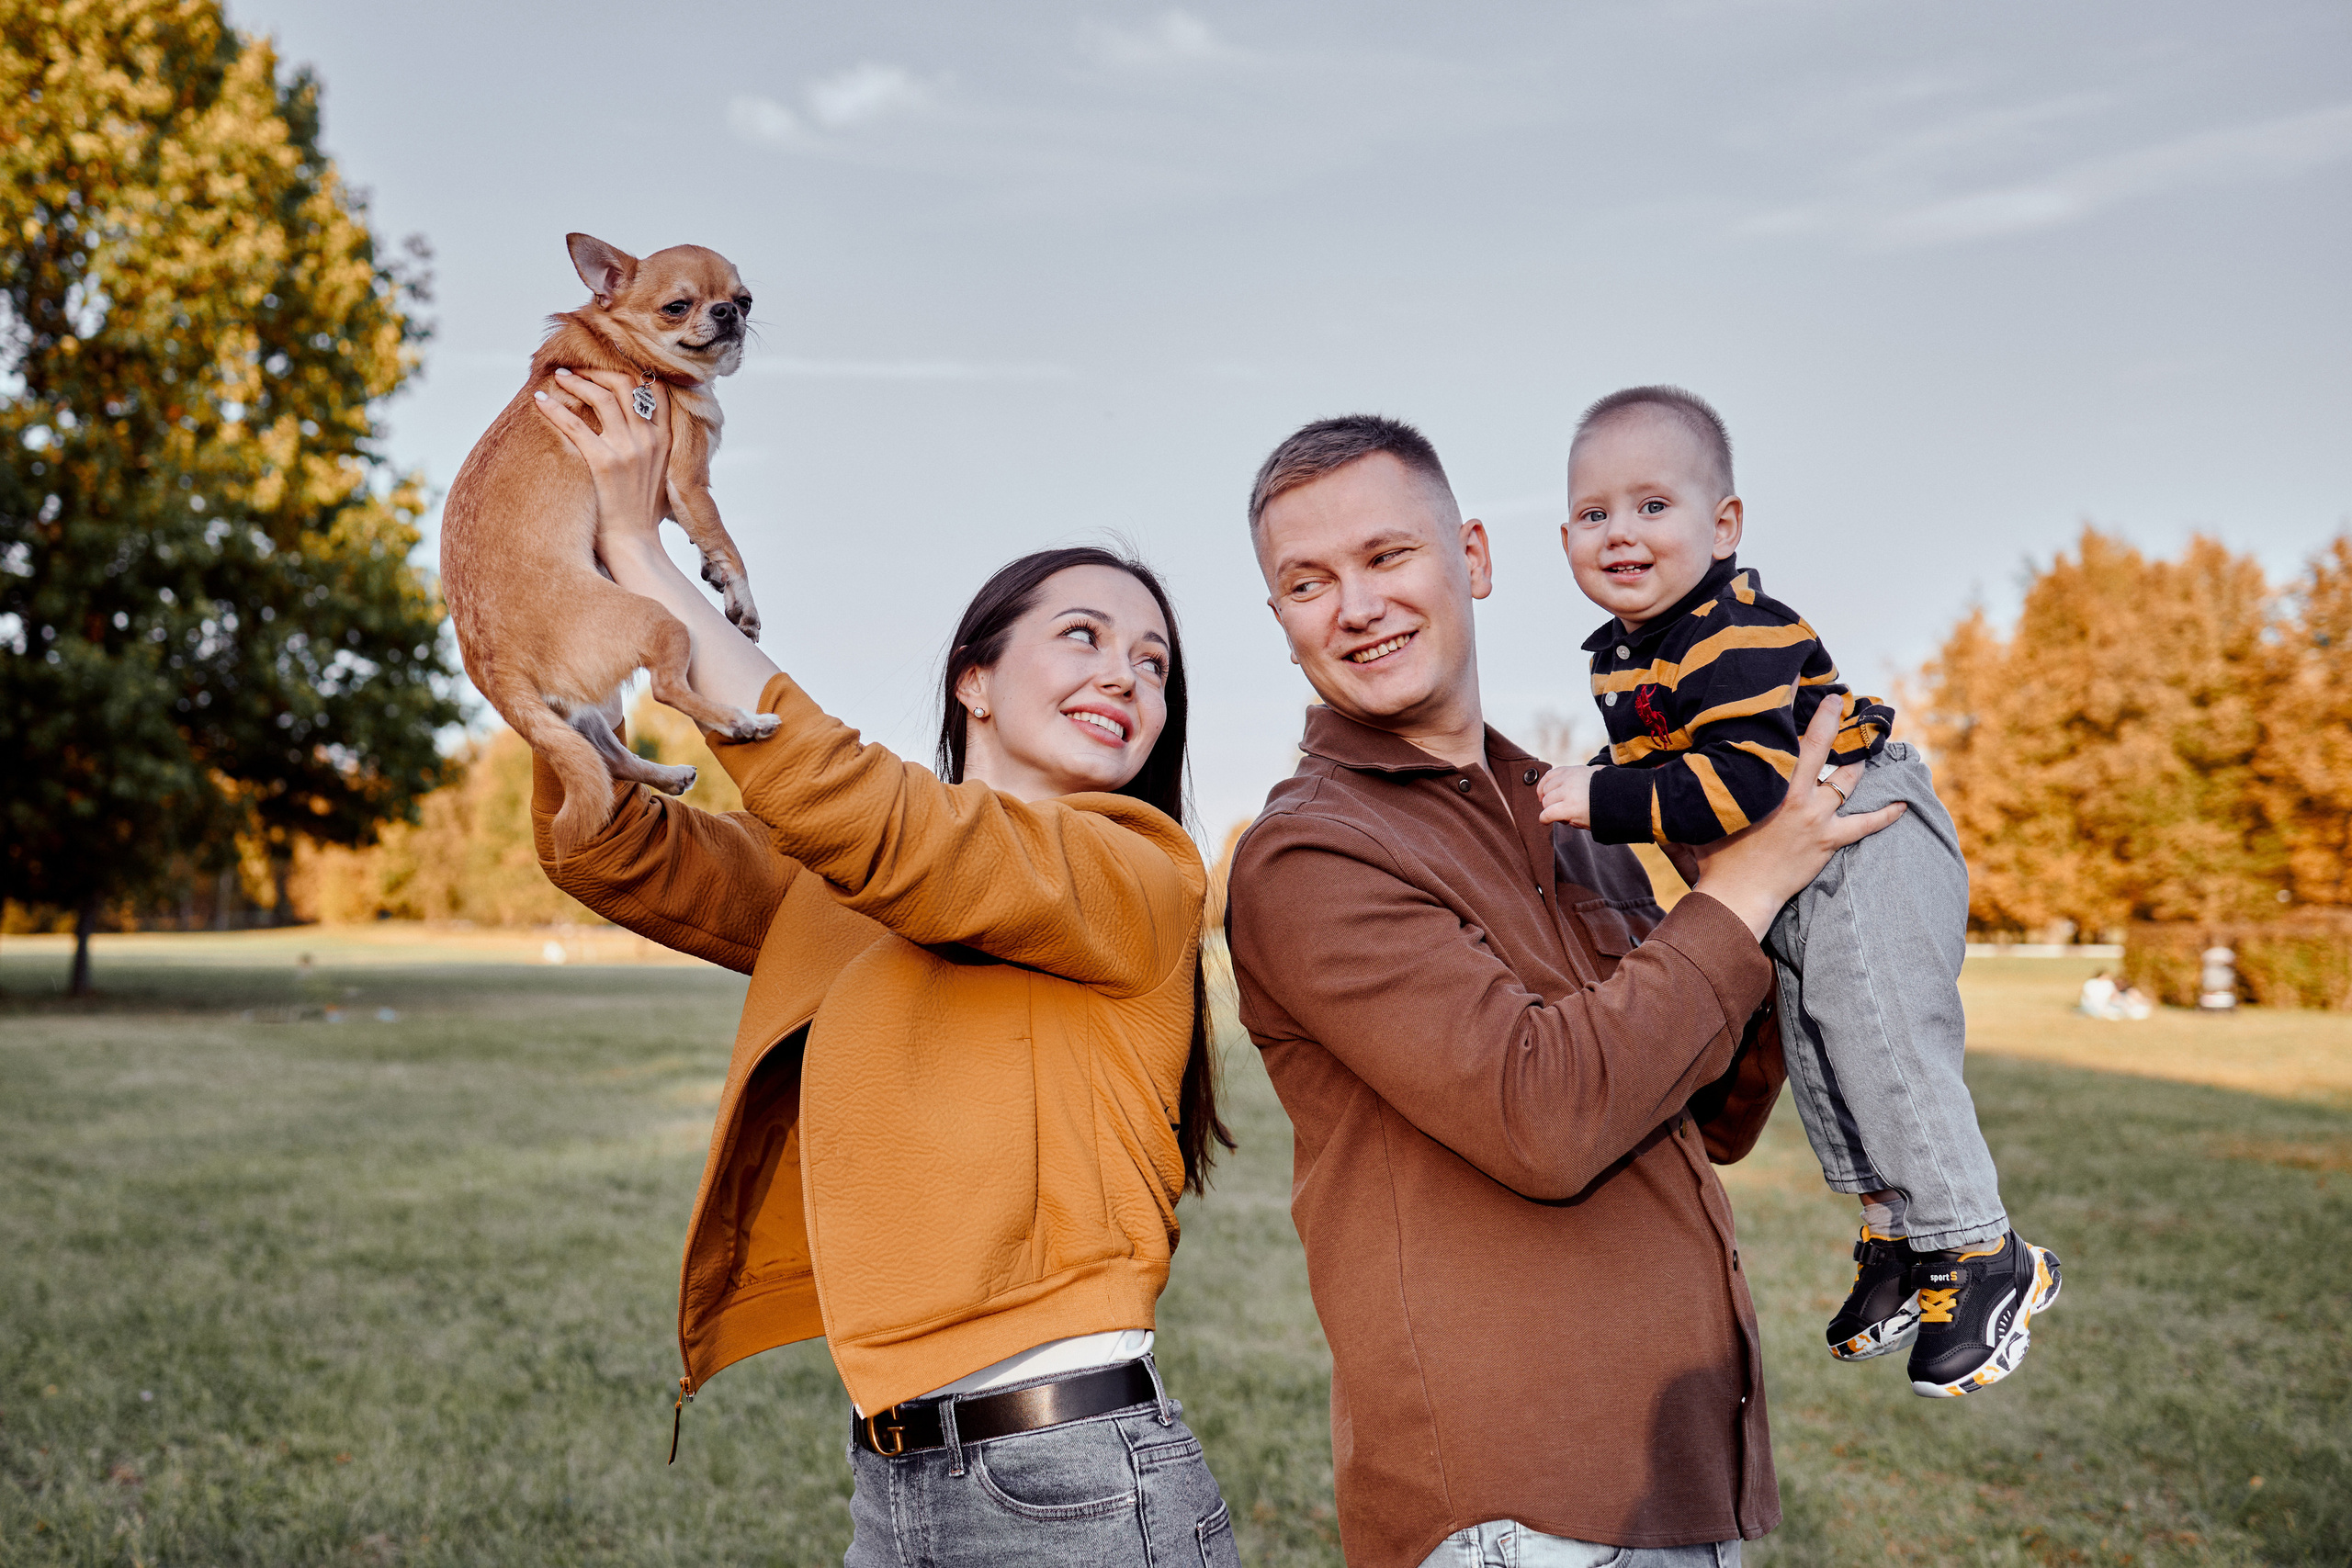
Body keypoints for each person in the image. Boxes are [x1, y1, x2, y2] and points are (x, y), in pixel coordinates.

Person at [528, 367, 1239, 1567]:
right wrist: (561, 625)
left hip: (1079, 1486)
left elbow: (874, 816)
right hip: (896, 1484)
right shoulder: (855, 886)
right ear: (975, 675)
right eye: (1084, 635)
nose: (1127, 674)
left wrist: (641, 552)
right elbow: (613, 847)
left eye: (1154, 662)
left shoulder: (1138, 872)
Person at [1223, 414, 1902, 1568]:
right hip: (1517, 1508)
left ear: (1473, 558)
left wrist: (1785, 890)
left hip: (1677, 1484)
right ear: (1282, 622)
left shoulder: (1579, 811)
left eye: (1388, 556)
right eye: (1307, 582)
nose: (1357, 606)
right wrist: (1739, 891)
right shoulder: (1311, 854)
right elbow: (1545, 1118)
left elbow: (1708, 1117)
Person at [1536, 387, 2063, 1402]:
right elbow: (1668, 769)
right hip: (1795, 855)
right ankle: (1899, 1234)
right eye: (1594, 514)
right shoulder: (1627, 654)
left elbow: (1744, 781)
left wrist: (1600, 798)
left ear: (1723, 525)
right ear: (1565, 540)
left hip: (1864, 824)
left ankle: (1980, 1247)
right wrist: (1608, 784)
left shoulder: (1733, 630)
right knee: (1818, 1037)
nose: (1620, 533)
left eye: (1653, 505)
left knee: (1877, 1025)